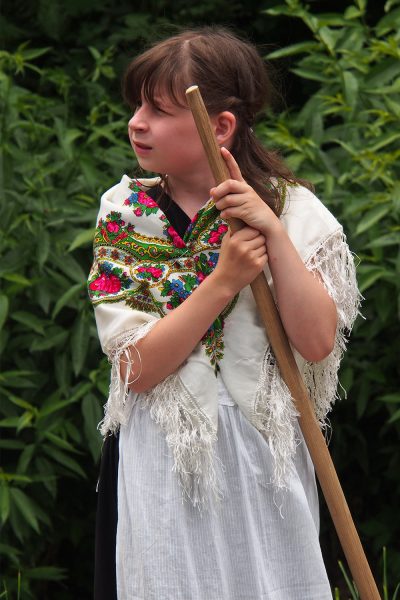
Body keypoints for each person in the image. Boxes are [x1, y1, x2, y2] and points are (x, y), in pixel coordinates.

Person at [88, 27, 360, 600]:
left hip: (267, 458)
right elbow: (136, 370)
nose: (137, 122)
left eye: (158, 110)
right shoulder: (126, 211)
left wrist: (272, 236)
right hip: (164, 459)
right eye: (137, 106)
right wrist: (225, 280)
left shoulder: (291, 208)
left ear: (220, 127)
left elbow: (314, 342)